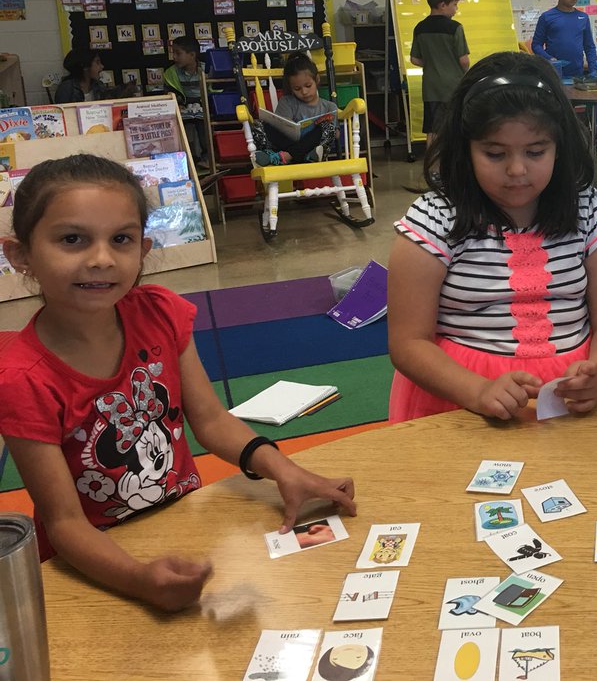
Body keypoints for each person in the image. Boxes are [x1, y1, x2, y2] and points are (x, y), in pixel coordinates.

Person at [0, 154, 356, 611]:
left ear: (143, 251)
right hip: (96, 567)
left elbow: (210, 420)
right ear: (21, 255)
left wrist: (285, 470)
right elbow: (65, 523)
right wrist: (138, 579)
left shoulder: (160, 313)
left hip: (183, 526)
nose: (102, 259)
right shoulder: (20, 378)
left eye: (121, 239)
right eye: (73, 239)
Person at [387, 50, 597, 422]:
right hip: (459, 398)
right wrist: (477, 390)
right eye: (494, 153)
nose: (517, 169)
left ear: (558, 147)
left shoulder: (587, 210)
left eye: (536, 152)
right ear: (466, 149)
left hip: (571, 399)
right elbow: (408, 343)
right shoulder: (435, 218)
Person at [409, 0, 470, 151]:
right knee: (456, 126)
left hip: (431, 87)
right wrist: (468, 73)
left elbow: (414, 59)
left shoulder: (419, 28)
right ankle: (455, 163)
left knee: (433, 129)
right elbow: (463, 60)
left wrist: (432, 63)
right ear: (443, 5)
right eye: (455, 4)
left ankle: (432, 167)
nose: (456, 9)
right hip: (454, 86)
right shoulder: (455, 28)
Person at [253, 51, 337, 166]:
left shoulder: (329, 107)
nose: (304, 92)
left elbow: (335, 135)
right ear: (291, 88)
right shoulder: (287, 102)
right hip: (288, 145)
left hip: (312, 150)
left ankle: (281, 157)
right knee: (259, 125)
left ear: (316, 80)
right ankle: (292, 155)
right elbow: (281, 128)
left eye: (308, 86)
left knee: (328, 127)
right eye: (297, 88)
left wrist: (326, 130)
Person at [532, 0, 597, 79]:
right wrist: (550, 59)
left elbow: (589, 46)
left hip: (577, 76)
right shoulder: (547, 17)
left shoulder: (583, 18)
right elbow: (536, 45)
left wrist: (593, 70)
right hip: (553, 75)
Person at [163, 36, 209, 167]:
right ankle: (189, 159)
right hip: (183, 108)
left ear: (192, 55)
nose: (174, 57)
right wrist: (179, 104)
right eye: (173, 53)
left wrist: (205, 103)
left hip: (203, 107)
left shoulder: (206, 69)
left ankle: (207, 157)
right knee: (183, 125)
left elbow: (215, 90)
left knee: (202, 122)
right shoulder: (171, 73)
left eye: (178, 53)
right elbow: (169, 94)